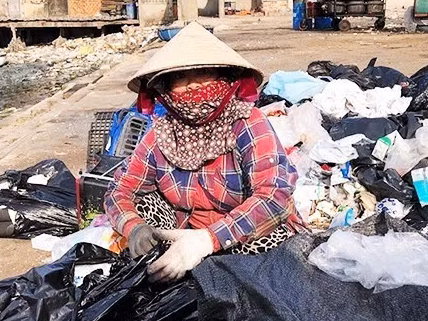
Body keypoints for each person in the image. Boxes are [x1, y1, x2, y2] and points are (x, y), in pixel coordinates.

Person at [105, 22, 306, 283]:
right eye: (179, 78)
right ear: (164, 89)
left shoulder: (248, 123)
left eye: (204, 73)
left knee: (264, 249)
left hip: (245, 237)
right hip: (183, 235)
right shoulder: (161, 133)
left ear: (225, 78)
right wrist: (133, 228)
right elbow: (119, 190)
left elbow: (274, 196)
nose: (191, 86)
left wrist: (207, 240)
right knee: (144, 209)